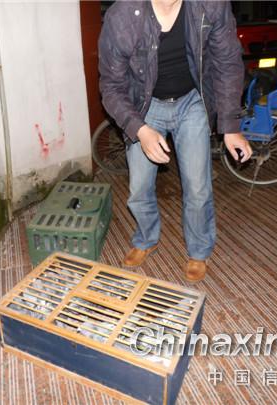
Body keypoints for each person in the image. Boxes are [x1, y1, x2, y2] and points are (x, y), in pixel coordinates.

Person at [98, 0, 252, 281]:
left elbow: (227, 63)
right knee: (139, 187)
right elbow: (111, 85)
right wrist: (139, 129)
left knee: (197, 186)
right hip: (145, 106)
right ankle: (146, 238)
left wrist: (230, 126)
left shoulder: (210, 5)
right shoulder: (122, 15)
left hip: (192, 101)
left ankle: (199, 251)